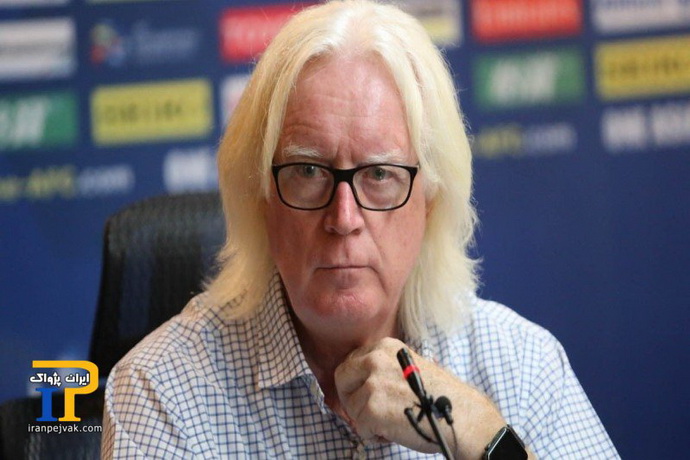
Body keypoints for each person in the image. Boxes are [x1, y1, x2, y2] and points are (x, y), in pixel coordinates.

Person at [101, 1, 619, 458]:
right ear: (260, 196)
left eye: (380, 175)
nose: (344, 219)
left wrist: (485, 441)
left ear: (430, 199)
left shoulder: (522, 365)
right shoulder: (161, 390)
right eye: (308, 171)